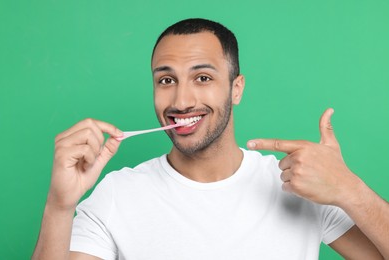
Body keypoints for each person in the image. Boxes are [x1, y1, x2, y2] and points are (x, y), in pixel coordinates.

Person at [32, 18, 388, 260]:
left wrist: (349, 189)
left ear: (236, 89)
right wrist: (59, 206)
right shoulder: (116, 195)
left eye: (202, 78)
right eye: (166, 80)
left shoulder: (299, 186)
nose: (181, 101)